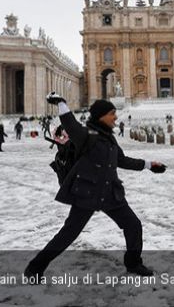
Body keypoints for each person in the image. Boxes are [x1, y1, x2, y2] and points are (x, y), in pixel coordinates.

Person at [24, 92, 166, 279]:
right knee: (68, 235)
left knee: (133, 225)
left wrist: (148, 165)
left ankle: (133, 263)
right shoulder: (87, 134)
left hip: (110, 194)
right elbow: (70, 125)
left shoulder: (109, 138)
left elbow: (121, 160)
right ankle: (34, 268)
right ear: (101, 116)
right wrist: (61, 103)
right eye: (112, 113)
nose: (115, 117)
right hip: (87, 194)